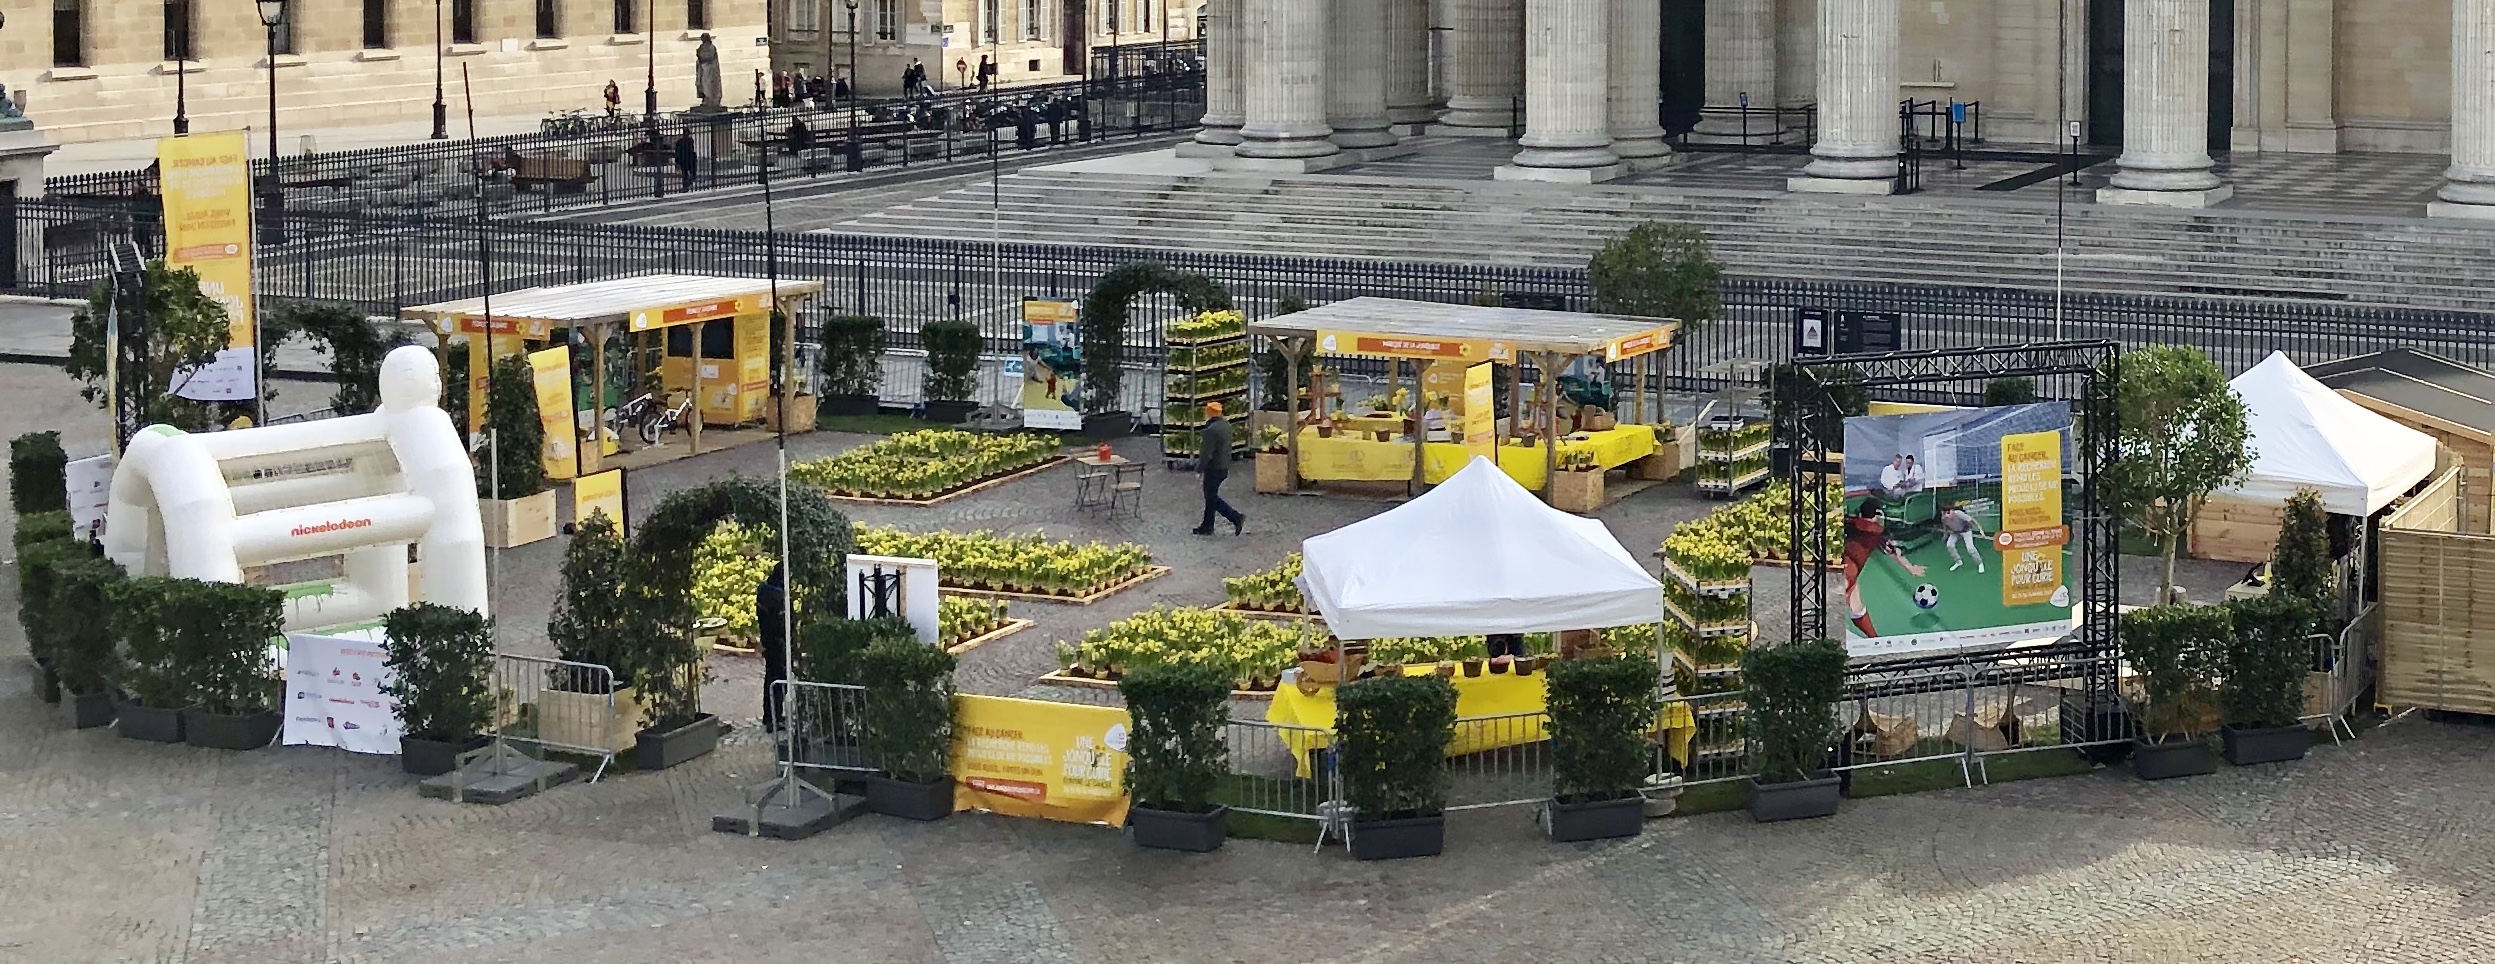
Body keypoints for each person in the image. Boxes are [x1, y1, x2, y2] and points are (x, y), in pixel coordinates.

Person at [1842, 498, 1927, 638]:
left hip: (1847, 568)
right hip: (1849, 570)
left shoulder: (1849, 521)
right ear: (1877, 515)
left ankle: (1875, 639)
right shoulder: (1879, 533)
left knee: (1856, 607)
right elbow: (1894, 553)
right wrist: (1911, 568)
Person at [1193, 401, 1245, 536]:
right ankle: (1207, 526)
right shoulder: (1226, 425)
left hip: (1213, 467)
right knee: (1211, 496)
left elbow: (1206, 453)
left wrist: (1199, 469)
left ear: (1209, 413)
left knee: (1211, 497)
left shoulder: (1211, 430)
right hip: (1223, 465)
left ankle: (1235, 517)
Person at [755, 562, 788, 732]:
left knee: (771, 678)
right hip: (777, 642)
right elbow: (780, 622)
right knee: (778, 679)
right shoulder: (777, 595)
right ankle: (774, 718)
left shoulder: (763, 589)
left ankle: (770, 715)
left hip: (768, 639)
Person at [1940, 502, 1987, 573]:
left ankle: (1980, 563)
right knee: (1949, 545)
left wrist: (1980, 529)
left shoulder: (1959, 514)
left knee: (1970, 549)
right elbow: (1945, 527)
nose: (1946, 515)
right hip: (1955, 532)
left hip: (1966, 531)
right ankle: (1958, 561)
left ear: (1952, 511)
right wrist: (1945, 535)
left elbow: (1972, 520)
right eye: (1944, 513)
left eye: (1948, 512)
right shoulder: (1944, 518)